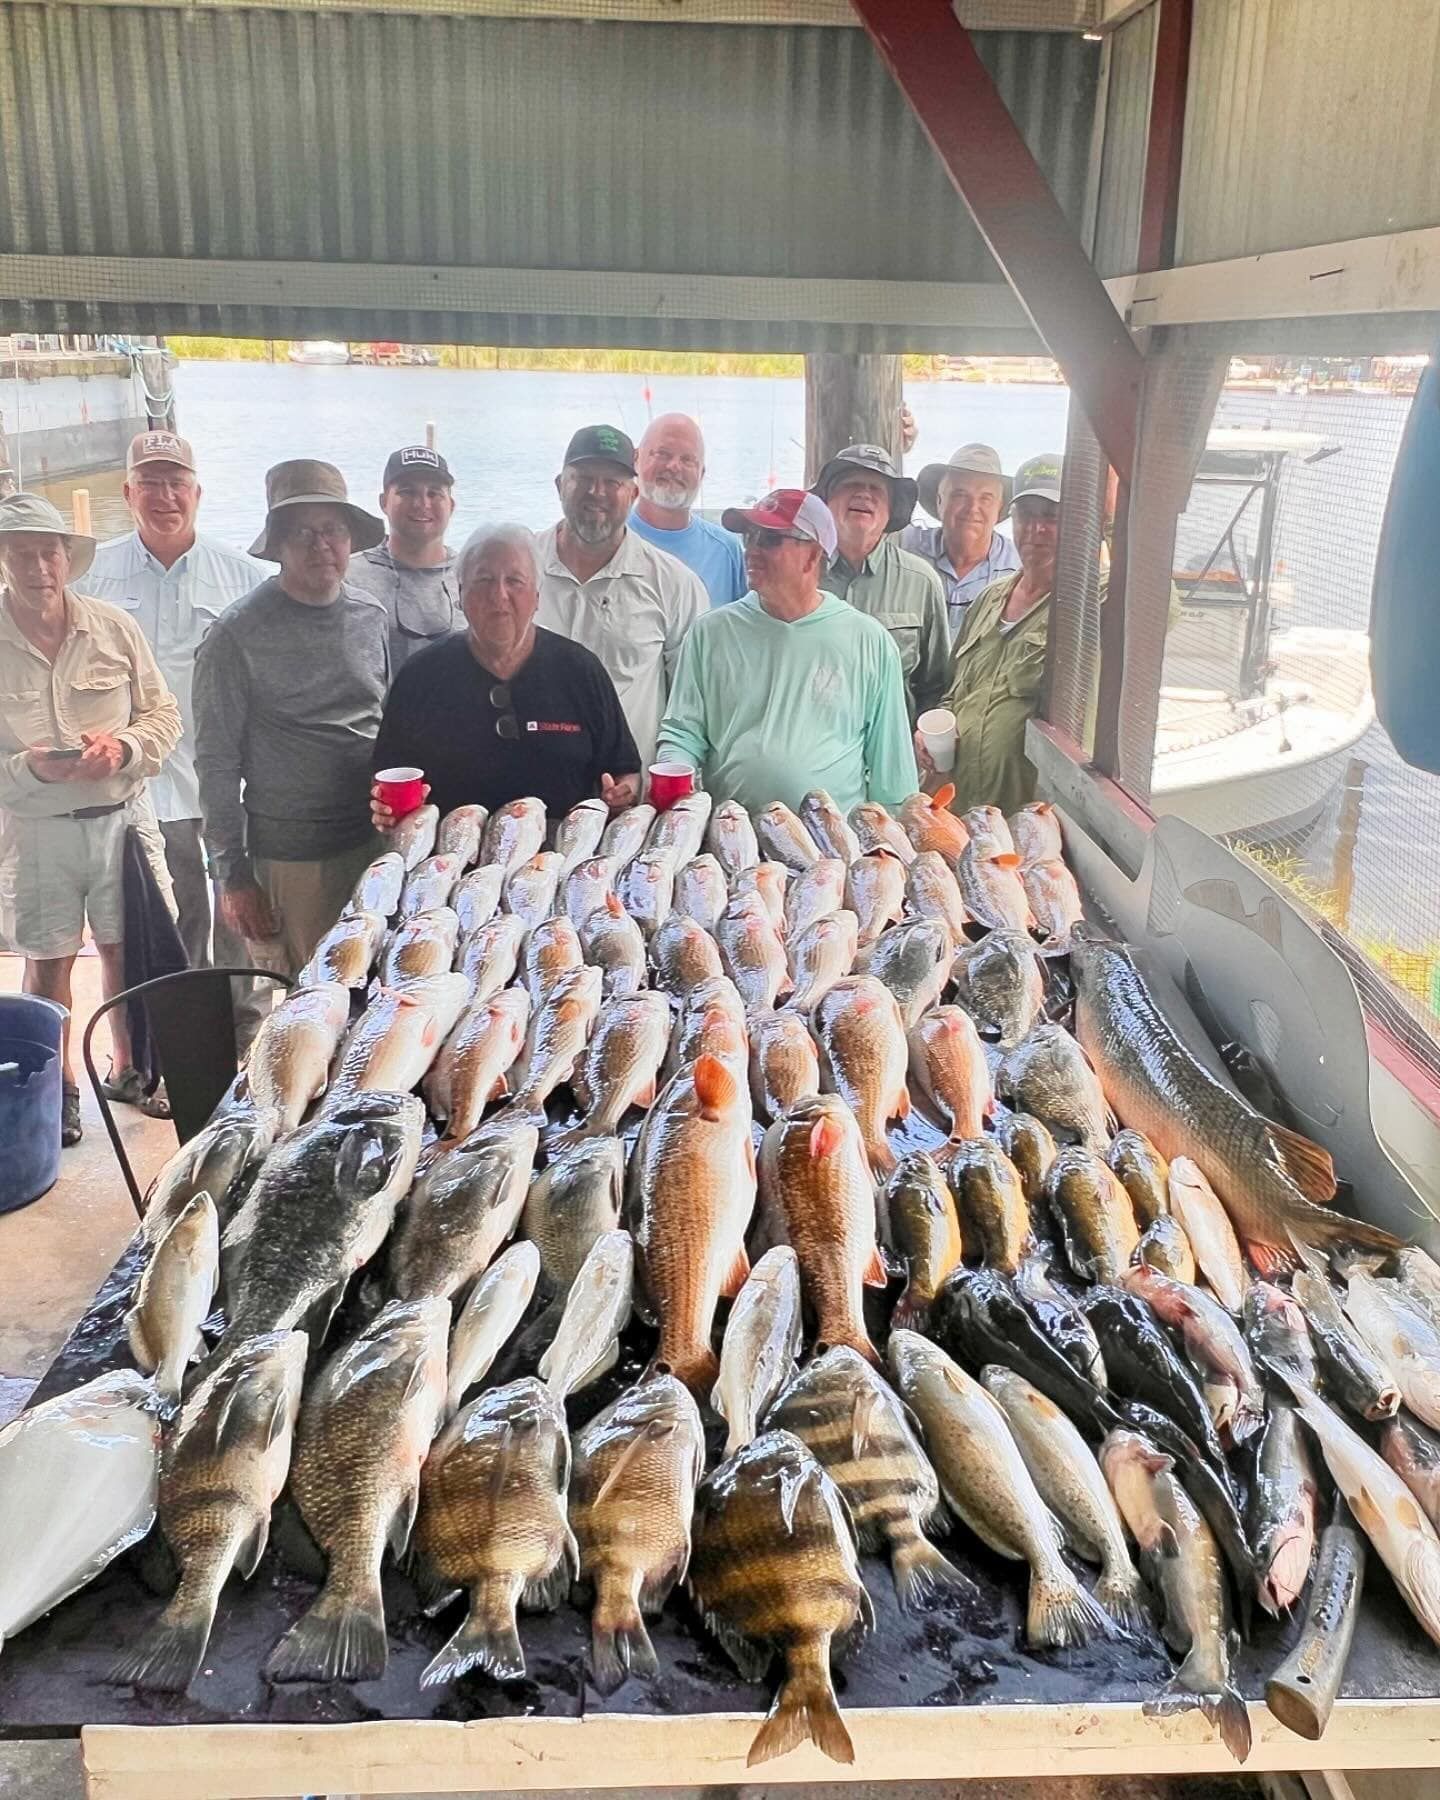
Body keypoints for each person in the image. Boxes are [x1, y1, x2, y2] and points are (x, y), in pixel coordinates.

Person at [0, 493, 182, 1145]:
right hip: (38, 833)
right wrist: (30, 769)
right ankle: (58, 1089)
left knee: (126, 949)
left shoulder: (113, 627)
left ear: (67, 559)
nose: (37, 566)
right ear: (4, 560)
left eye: (48, 552)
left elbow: (165, 715)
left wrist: (125, 747)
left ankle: (132, 1070)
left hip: (121, 821)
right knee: (47, 963)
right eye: (21, 554)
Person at [194, 460, 389, 978]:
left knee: (375, 992)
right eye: (302, 531)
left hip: (373, 844)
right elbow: (215, 765)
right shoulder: (235, 634)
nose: (321, 544)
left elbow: (385, 725)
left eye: (333, 530)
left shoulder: (371, 616)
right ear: (277, 544)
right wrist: (232, 877)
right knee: (310, 1001)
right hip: (293, 862)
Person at [85, 430, 261, 973]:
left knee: (242, 917)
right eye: (150, 483)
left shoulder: (243, 576)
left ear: (198, 492)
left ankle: (243, 1033)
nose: (165, 497)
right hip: (143, 781)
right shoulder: (91, 573)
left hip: (227, 779)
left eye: (176, 483)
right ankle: (180, 1036)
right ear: (127, 492)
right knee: (173, 919)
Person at [654, 490, 915, 815]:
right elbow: (683, 733)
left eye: (770, 539)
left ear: (813, 555)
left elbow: (892, 774)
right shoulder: (710, 632)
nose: (751, 550)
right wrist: (673, 780)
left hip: (832, 849)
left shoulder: (869, 640)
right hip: (734, 841)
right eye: (750, 537)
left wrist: (887, 845)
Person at [371, 525, 641, 830]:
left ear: (537, 597)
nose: (499, 595)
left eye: (515, 581)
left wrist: (621, 795)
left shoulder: (580, 670)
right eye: (484, 580)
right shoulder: (421, 675)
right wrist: (387, 811)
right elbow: (388, 775)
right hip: (452, 862)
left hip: (558, 860)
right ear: (460, 594)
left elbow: (625, 771)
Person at [536, 425, 706, 770]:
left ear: (633, 493)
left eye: (613, 482)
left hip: (630, 800)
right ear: (559, 485)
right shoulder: (518, 569)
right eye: (583, 478)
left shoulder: (674, 583)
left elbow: (692, 710)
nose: (596, 492)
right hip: (530, 794)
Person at [919, 453, 1064, 817]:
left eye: (1052, 516)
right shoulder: (989, 598)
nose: (1037, 528)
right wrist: (929, 735)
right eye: (1027, 515)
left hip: (1030, 820)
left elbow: (1160, 601)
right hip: (964, 810)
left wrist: (1106, 524)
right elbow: (955, 692)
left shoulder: (1085, 605)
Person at [810, 443, 949, 721]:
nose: (864, 494)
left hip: (892, 752)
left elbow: (937, 685)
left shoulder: (922, 581)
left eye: (877, 489)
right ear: (825, 502)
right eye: (851, 484)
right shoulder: (799, 572)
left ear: (891, 511)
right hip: (813, 754)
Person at [346, 443, 461, 676]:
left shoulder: (474, 575)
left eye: (434, 493)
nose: (422, 504)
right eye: (407, 492)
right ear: (383, 502)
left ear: (451, 505)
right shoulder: (348, 577)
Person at [900, 443, 1020, 640]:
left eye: (986, 498)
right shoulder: (904, 546)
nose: (973, 507)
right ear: (940, 501)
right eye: (960, 495)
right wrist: (898, 436)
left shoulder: (1020, 570)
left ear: (999, 508)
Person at [627, 414, 746, 608]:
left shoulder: (727, 551)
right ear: (636, 459)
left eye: (688, 459)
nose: (674, 466)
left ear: (702, 473)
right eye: (662, 454)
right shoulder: (610, 541)